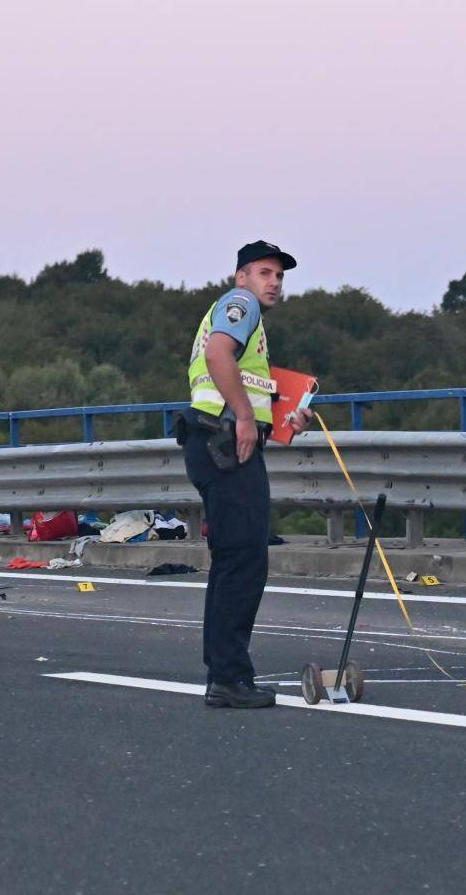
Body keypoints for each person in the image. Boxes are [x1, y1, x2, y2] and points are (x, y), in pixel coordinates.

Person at [180, 241, 312, 707]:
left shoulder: (245, 321)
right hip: (223, 443)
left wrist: (285, 420)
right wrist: (241, 416)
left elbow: (243, 382)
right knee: (244, 560)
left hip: (214, 441)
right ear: (242, 277)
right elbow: (218, 357)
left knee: (234, 560)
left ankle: (224, 674)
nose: (274, 281)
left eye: (279, 275)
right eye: (264, 272)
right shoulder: (241, 305)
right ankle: (229, 679)